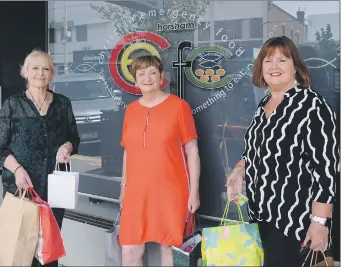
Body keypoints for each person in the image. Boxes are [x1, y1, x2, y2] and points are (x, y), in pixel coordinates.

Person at [225, 36, 339, 267]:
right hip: (260, 215)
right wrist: (239, 170)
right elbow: (256, 151)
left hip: (293, 221)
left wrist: (319, 222)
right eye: (268, 61)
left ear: (295, 67)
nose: (274, 66)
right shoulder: (264, 104)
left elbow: (327, 169)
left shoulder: (312, 106)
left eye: (282, 60)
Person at [0, 49, 80, 267]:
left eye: (45, 69)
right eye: (35, 68)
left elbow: (74, 138)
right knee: (20, 250)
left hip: (54, 190)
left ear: (52, 74)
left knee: (48, 250)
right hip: (21, 188)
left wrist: (66, 147)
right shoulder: (13, 105)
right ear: (24, 72)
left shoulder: (62, 104)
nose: (40, 73)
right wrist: (18, 170)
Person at [119, 55, 201, 266]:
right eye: (141, 74)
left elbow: (192, 151)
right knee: (129, 249)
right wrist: (123, 188)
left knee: (169, 248)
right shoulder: (130, 111)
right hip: (136, 192)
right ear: (135, 81)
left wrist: (194, 193)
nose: (147, 78)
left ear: (162, 77)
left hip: (171, 189)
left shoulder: (179, 107)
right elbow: (127, 152)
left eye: (152, 72)